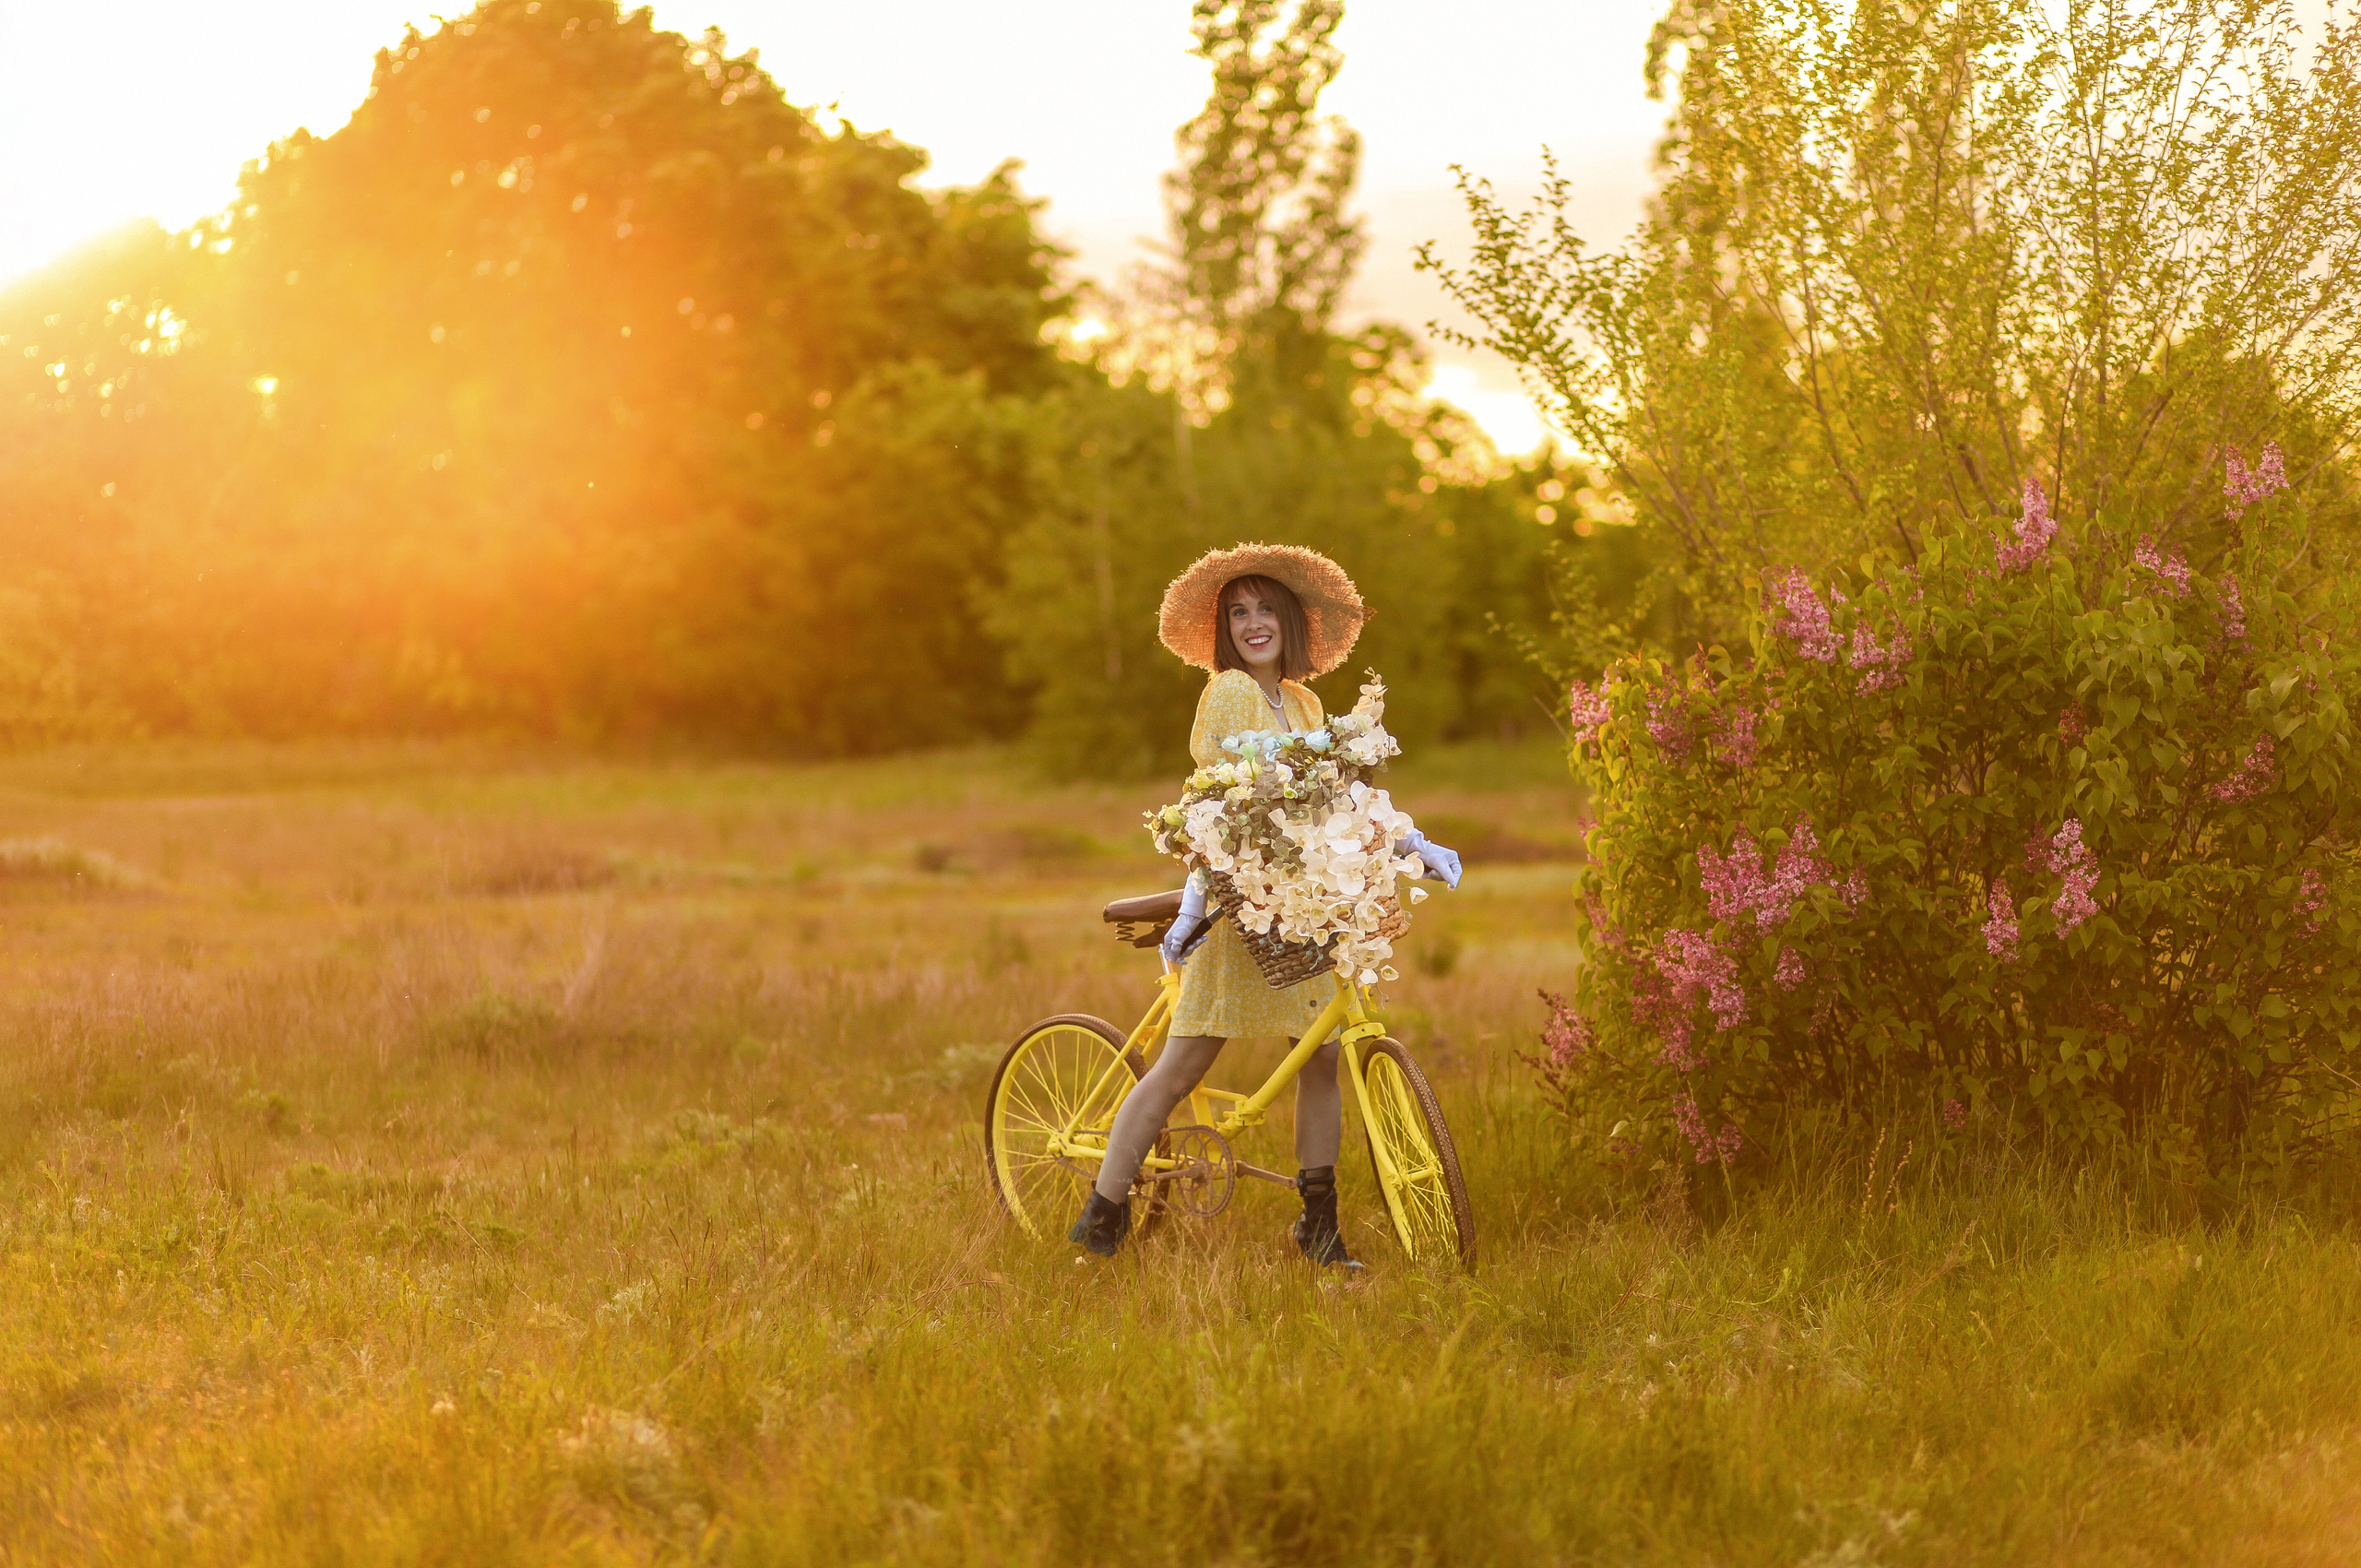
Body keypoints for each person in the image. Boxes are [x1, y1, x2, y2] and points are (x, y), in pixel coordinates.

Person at [1069, 543, 1461, 1266]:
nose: (1253, 623)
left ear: (1289, 619)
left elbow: (1339, 793)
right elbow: (1239, 787)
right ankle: (1105, 1206)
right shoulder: (1228, 693)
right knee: (1185, 1066)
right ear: (1226, 629)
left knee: (1321, 1062)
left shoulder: (1305, 700)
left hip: (1303, 909)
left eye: (1265, 609)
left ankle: (1318, 1225)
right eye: (1238, 612)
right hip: (1241, 909)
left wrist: (1411, 841)